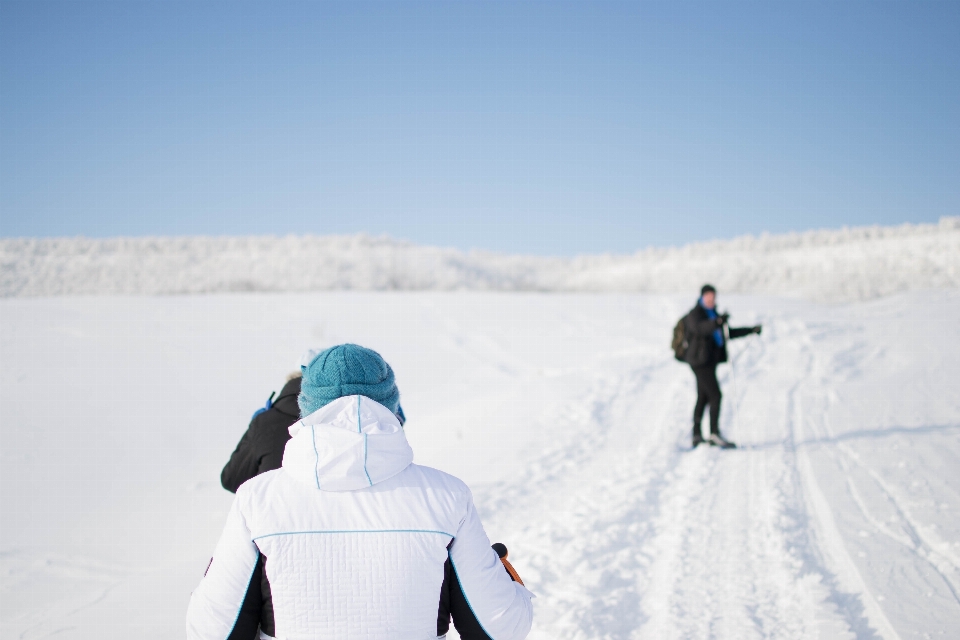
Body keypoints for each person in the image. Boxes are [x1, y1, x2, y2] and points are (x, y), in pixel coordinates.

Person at [188, 344, 534, 640]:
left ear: (307, 407)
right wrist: (501, 576)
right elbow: (499, 629)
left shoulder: (257, 499)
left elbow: (213, 631)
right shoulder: (446, 496)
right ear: (392, 407)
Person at [683, 285, 761, 448]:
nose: (711, 300)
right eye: (708, 297)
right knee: (715, 395)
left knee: (703, 397)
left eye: (713, 297)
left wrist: (750, 330)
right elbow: (700, 328)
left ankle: (697, 435)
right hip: (699, 362)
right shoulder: (695, 314)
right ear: (702, 297)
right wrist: (717, 322)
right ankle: (714, 433)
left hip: (709, 362)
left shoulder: (714, 315)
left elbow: (726, 332)